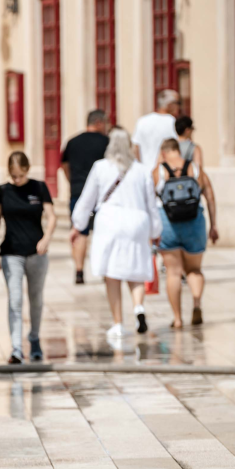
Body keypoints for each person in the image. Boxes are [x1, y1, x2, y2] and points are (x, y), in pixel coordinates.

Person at [70, 128, 162, 340]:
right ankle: (138, 307)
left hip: (109, 221)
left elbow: (87, 199)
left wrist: (78, 225)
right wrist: (156, 230)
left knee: (112, 274)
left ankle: (118, 323)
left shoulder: (100, 167)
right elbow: (152, 205)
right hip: (137, 222)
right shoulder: (142, 170)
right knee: (136, 269)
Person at [0, 151, 56, 363]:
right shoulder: (4, 191)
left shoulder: (39, 188)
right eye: (13, 176)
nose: (17, 180)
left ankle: (35, 338)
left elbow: (51, 217)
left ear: (27, 170)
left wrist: (46, 240)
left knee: (36, 298)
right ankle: (16, 348)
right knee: (15, 300)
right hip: (12, 252)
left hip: (36, 252)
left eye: (20, 175)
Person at [153, 138, 219, 328]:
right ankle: (196, 303)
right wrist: (213, 225)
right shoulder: (195, 169)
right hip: (194, 223)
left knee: (173, 273)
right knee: (194, 270)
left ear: (163, 152)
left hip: (168, 224)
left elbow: (149, 201)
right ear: (178, 151)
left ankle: (177, 318)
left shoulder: (158, 172)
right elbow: (210, 197)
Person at [61, 109, 110, 285]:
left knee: (79, 231)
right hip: (102, 195)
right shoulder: (106, 142)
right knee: (103, 232)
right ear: (99, 123)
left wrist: (72, 182)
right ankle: (105, 271)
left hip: (78, 192)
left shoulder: (72, 142)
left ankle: (79, 271)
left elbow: (64, 166)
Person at [131, 89, 180, 173]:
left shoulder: (142, 121)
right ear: (170, 104)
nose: (179, 107)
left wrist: (140, 169)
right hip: (165, 171)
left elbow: (136, 147)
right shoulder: (172, 122)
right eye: (177, 103)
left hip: (145, 170)